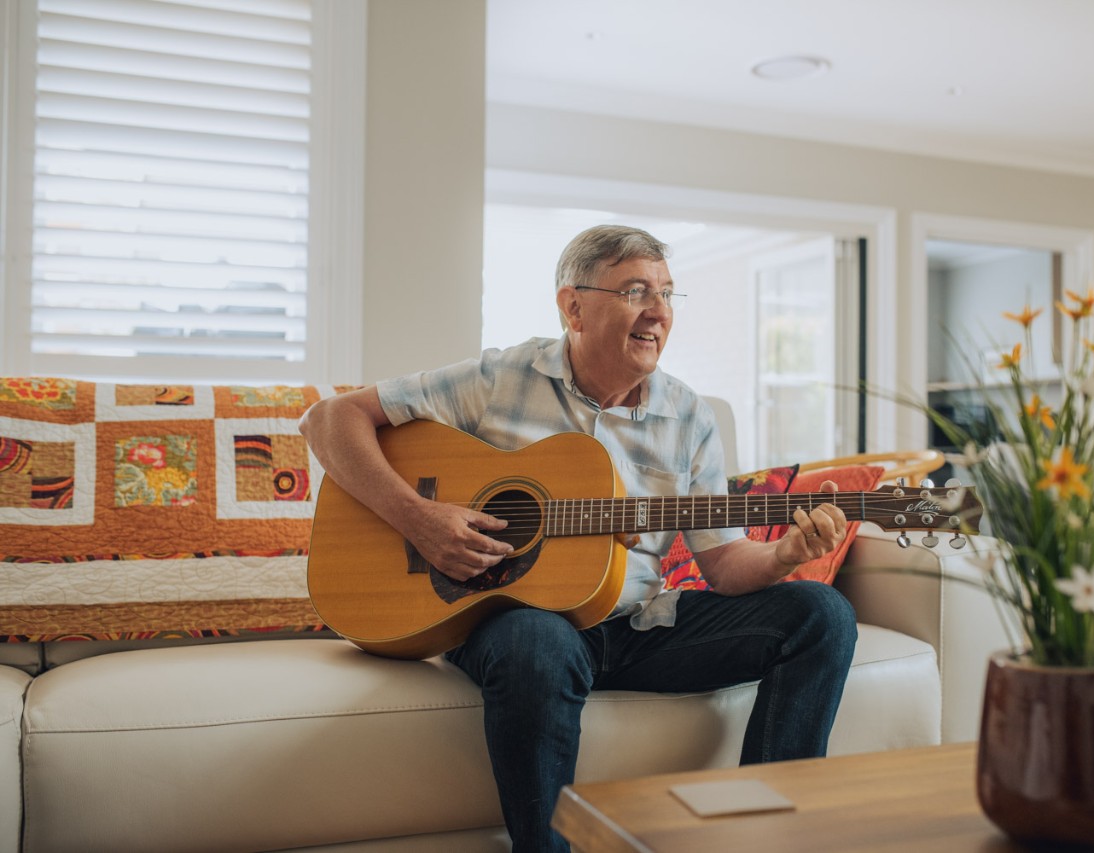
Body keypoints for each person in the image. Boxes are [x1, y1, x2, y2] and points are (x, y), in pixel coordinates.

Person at [299, 225, 858, 852]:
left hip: (645, 626)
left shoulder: (690, 417)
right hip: (513, 619)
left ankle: (760, 836)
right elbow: (329, 419)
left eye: (668, 294)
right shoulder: (500, 377)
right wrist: (418, 519)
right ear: (573, 306)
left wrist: (785, 554)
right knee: (537, 642)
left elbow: (723, 563)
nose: (658, 312)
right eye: (637, 291)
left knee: (822, 615)